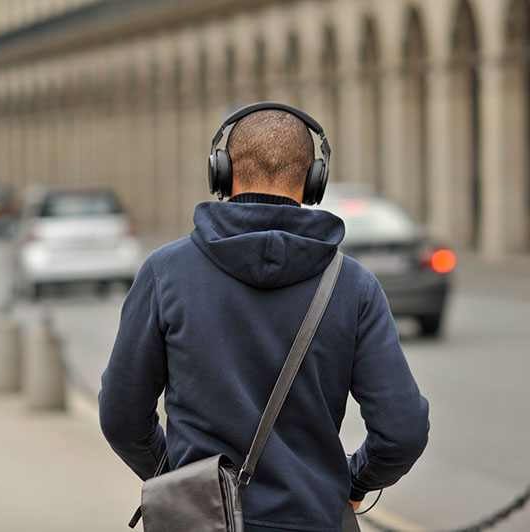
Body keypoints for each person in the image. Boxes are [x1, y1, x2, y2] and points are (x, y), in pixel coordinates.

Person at [99, 104, 429, 531]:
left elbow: (121, 417)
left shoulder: (166, 273)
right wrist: (354, 481)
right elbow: (402, 432)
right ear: (314, 181)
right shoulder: (353, 285)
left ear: (220, 171)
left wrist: (184, 483)